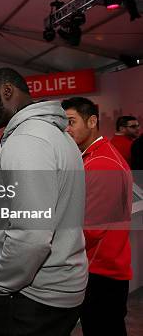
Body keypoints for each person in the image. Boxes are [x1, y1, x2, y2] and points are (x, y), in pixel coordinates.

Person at [0, 68, 87, 336]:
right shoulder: (54, 135)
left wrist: (0, 284)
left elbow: (32, 235)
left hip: (31, 298)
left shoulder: (27, 141)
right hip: (51, 293)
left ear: (7, 92)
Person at [61, 97, 132, 336]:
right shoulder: (93, 157)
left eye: (71, 122)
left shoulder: (102, 163)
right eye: (64, 123)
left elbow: (90, 229)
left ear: (92, 121)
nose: (67, 129)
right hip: (100, 268)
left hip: (102, 273)